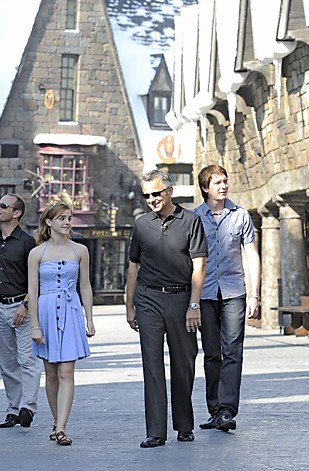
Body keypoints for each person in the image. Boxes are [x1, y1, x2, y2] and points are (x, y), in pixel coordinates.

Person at [125, 169, 207, 448]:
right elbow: (133, 266)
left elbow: (199, 266)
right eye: (147, 195)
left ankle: (184, 425)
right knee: (152, 364)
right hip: (148, 298)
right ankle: (156, 431)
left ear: (169, 192)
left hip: (181, 299)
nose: (151, 199)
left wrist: (194, 304)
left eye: (156, 193)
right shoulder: (141, 224)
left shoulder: (191, 221)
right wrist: (129, 305)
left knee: (184, 363)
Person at [194, 165, 260, 432]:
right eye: (217, 183)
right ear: (205, 188)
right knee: (212, 354)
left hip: (234, 292)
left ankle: (227, 411)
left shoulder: (241, 215)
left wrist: (254, 294)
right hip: (205, 293)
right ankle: (215, 410)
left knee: (232, 351)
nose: (223, 186)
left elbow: (251, 255)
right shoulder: (194, 218)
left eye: (225, 181)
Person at [28, 202, 95, 446]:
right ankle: (56, 421)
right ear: (49, 222)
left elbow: (85, 286)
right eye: (61, 218)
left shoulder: (80, 250)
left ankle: (62, 427)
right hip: (45, 312)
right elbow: (32, 291)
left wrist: (89, 318)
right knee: (51, 373)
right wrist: (35, 325)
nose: (67, 222)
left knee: (66, 371)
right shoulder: (37, 253)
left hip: (71, 310)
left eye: (69, 218)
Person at [0, 193, 40, 429]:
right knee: (7, 363)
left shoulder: (28, 243)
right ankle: (13, 410)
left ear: (16, 213)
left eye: (3, 205)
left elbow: (35, 279)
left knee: (27, 359)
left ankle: (28, 407)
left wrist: (26, 305)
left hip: (23, 307)